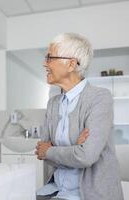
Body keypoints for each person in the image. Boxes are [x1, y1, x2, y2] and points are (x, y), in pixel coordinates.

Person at [35, 33, 123, 200]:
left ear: (71, 64)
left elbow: (86, 156)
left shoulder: (100, 98)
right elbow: (42, 153)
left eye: (49, 57)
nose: (44, 63)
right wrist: (75, 147)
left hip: (88, 194)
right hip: (56, 190)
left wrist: (52, 150)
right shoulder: (52, 103)